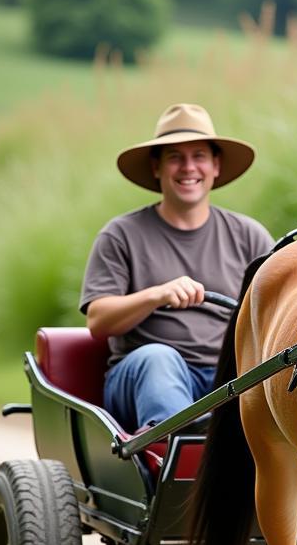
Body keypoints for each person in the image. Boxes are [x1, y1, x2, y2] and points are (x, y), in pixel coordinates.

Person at [80, 103, 273, 433]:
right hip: (144, 374)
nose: (188, 167)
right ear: (156, 168)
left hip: (227, 376)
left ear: (215, 165)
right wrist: (157, 295)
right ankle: (174, 445)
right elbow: (98, 320)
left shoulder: (249, 236)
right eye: (175, 157)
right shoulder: (121, 235)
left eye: (198, 155)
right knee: (159, 358)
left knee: (264, 372)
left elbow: (276, 309)